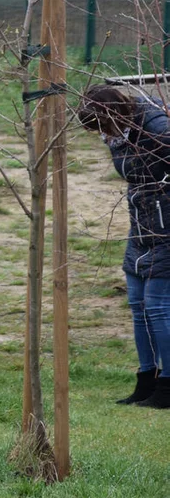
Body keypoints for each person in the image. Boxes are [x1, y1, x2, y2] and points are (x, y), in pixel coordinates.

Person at [78, 85, 170, 409]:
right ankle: (146, 379)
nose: (102, 137)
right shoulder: (119, 134)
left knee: (157, 304)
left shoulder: (157, 124)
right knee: (136, 302)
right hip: (141, 222)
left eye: (102, 128)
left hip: (165, 225)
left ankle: (167, 386)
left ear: (113, 115)